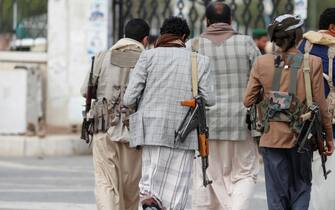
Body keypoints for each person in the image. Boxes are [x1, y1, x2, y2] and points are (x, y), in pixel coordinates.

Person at [244, 14, 334, 210]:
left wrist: (269, 95)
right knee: (301, 189)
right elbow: (321, 105)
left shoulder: (262, 63)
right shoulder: (314, 63)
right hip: (301, 138)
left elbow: (248, 100)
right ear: (297, 37)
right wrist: (328, 137)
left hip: (271, 137)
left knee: (276, 195)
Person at [123, 16, 214, 210]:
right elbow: (210, 99)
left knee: (150, 189)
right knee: (176, 194)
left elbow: (129, 99)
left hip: (151, 131)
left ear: (163, 34)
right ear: (183, 37)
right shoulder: (199, 61)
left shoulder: (147, 57)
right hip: (184, 132)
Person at [186, 2, 260, 210]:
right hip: (241, 124)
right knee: (244, 173)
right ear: (230, 21)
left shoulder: (193, 46)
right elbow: (261, 81)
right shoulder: (246, 44)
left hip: (204, 127)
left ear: (206, 21)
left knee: (208, 176)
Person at [80, 18, 150, 210]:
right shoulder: (147, 59)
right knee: (130, 188)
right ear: (145, 40)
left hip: (103, 128)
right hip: (134, 132)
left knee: (106, 183)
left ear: (124, 36)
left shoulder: (103, 57)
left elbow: (85, 91)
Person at [298, 8, 335, 210]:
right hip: (329, 122)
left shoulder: (302, 45)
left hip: (302, 121)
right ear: (332, 27)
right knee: (328, 177)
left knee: (307, 178)